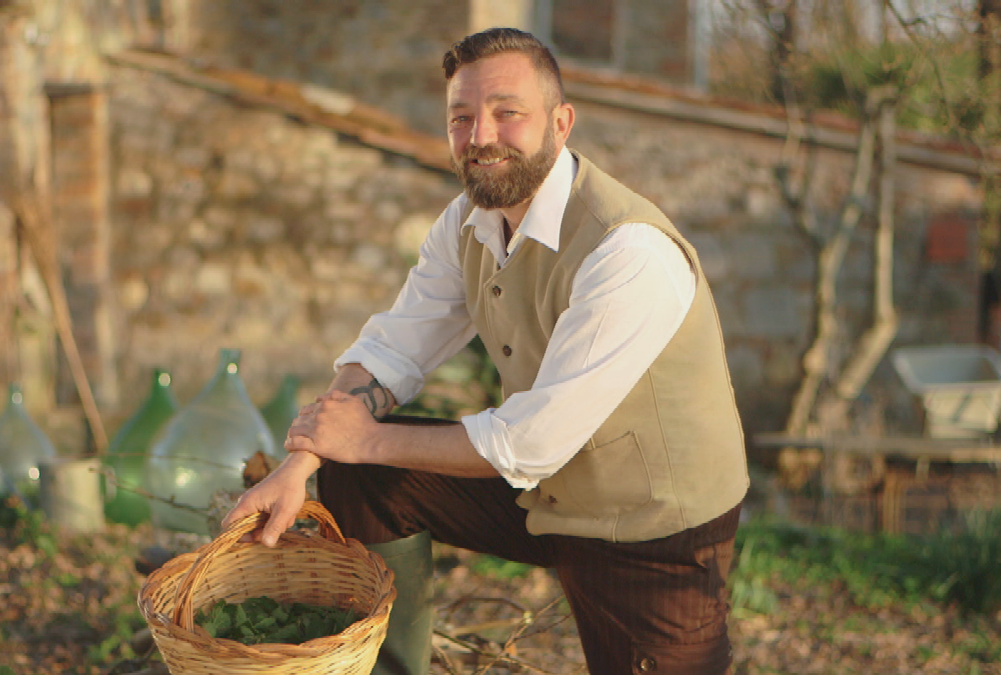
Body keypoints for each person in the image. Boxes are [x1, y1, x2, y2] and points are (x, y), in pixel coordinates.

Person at [224, 26, 750, 675]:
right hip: (545, 493)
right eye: (462, 117)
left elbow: (531, 442)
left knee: (369, 452)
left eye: (507, 113)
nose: (480, 136)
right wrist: (302, 463)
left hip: (648, 529)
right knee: (359, 473)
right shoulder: (466, 224)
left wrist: (367, 439)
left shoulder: (628, 250)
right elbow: (396, 346)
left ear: (561, 123)